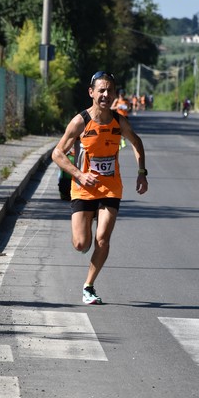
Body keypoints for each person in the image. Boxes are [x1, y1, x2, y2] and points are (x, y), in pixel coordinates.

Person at [51, 71, 148, 305]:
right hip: (83, 189)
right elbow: (57, 153)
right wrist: (80, 175)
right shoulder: (80, 121)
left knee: (102, 239)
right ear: (91, 92)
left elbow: (136, 142)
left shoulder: (119, 121)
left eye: (110, 90)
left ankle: (89, 286)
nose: (106, 94)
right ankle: (87, 222)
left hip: (110, 188)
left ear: (115, 94)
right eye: (101, 90)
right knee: (81, 244)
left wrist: (142, 173)